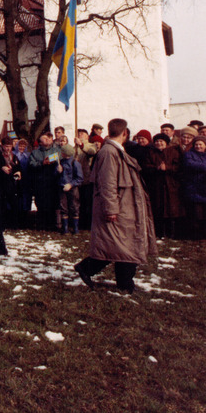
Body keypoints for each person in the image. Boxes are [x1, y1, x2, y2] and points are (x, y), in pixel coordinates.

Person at [74, 118, 156, 294]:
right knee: (120, 245)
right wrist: (111, 209)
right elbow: (107, 183)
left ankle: (123, 282)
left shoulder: (115, 150)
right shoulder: (109, 153)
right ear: (125, 133)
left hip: (124, 206)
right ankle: (91, 270)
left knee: (122, 246)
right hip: (118, 207)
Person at [28, 132, 61, 230]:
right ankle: (41, 224)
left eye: (48, 138)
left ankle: (51, 224)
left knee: (52, 202)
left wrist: (50, 160)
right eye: (44, 139)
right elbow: (31, 164)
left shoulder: (55, 150)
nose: (47, 140)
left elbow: (59, 158)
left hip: (52, 180)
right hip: (40, 181)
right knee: (40, 203)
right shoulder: (35, 152)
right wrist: (42, 163)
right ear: (40, 143)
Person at [182, 136, 206, 240]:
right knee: (197, 213)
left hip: (204, 187)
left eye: (200, 144)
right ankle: (196, 236)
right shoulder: (189, 154)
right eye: (196, 144)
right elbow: (190, 164)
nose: (198, 146)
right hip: (194, 187)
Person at [56, 144, 83, 234]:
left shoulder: (75, 163)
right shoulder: (61, 162)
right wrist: (58, 171)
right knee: (63, 207)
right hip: (62, 187)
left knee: (75, 207)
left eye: (62, 152)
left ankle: (75, 229)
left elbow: (79, 178)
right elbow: (56, 176)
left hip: (72, 189)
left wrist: (71, 185)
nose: (61, 153)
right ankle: (65, 229)